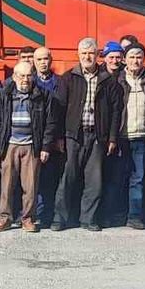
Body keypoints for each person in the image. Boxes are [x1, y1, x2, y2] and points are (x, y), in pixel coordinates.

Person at [52, 37, 122, 231]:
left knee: (94, 181)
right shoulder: (68, 78)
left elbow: (116, 111)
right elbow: (59, 109)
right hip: (73, 135)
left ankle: (88, 219)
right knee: (67, 178)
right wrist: (58, 136)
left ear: (97, 54)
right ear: (78, 55)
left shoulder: (108, 80)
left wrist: (112, 138)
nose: (87, 57)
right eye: (83, 53)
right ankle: (59, 218)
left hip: (98, 136)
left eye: (91, 53)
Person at [0, 61, 51, 232]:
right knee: (6, 186)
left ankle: (28, 219)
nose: (25, 79)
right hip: (9, 145)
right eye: (22, 76)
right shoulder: (3, 94)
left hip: (31, 145)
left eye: (29, 75)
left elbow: (49, 123)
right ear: (14, 77)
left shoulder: (42, 95)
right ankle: (4, 219)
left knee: (30, 187)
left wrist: (45, 147)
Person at [106, 43, 145, 229]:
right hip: (121, 137)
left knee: (138, 179)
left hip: (142, 137)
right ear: (125, 59)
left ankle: (134, 216)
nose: (135, 61)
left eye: (139, 57)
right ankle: (113, 215)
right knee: (117, 178)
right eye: (131, 57)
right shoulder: (116, 79)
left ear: (144, 59)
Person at [26, 46, 62, 226]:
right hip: (32, 140)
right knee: (32, 181)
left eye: (46, 59)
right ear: (33, 61)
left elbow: (63, 112)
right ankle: (34, 214)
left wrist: (59, 138)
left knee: (51, 179)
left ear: (51, 60)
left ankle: (49, 214)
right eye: (39, 59)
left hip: (54, 139)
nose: (43, 62)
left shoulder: (61, 82)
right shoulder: (28, 82)